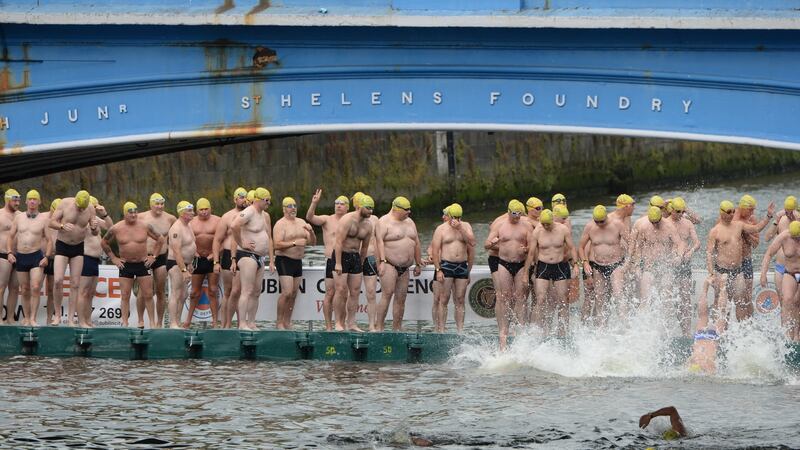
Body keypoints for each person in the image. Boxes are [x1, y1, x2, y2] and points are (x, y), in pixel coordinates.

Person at [707, 200, 773, 324]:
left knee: (741, 303)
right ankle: (721, 334)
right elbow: (709, 253)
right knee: (722, 305)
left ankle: (743, 332)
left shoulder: (738, 225)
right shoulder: (715, 231)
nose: (732, 214)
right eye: (728, 212)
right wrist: (711, 273)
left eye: (733, 211)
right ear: (721, 213)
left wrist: (768, 216)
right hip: (722, 273)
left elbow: (756, 228)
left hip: (738, 272)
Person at [102, 202, 164, 328]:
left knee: (148, 294)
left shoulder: (145, 226)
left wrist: (154, 257)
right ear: (125, 213)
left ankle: (152, 323)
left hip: (143, 263)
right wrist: (114, 258)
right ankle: (124, 323)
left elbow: (160, 239)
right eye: (131, 212)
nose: (134, 214)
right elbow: (104, 242)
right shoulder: (116, 228)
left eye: (135, 212)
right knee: (125, 295)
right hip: (126, 265)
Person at [485, 200, 534, 350]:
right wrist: (493, 242)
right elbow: (486, 245)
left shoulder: (526, 226)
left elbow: (533, 249)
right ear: (508, 212)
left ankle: (521, 330)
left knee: (520, 297)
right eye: (514, 215)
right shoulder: (500, 225)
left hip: (520, 264)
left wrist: (525, 250)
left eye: (519, 215)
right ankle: (503, 331)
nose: (517, 218)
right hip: (504, 263)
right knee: (503, 297)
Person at [376, 196, 424, 331]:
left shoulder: (410, 222)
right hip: (390, 264)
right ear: (396, 209)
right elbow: (378, 243)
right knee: (387, 295)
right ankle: (379, 327)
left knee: (401, 298)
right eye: (406, 210)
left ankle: (397, 328)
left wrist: (418, 262)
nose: (409, 212)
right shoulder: (384, 222)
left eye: (410, 209)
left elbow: (416, 242)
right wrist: (381, 262)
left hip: (405, 267)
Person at [49, 190, 97, 326]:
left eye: (83, 208)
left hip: (78, 247)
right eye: (79, 207)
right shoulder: (64, 203)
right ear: (75, 201)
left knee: (75, 284)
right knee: (58, 280)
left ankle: (70, 318)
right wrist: (62, 225)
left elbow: (95, 232)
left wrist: (94, 228)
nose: (81, 209)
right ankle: (57, 315)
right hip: (62, 245)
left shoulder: (90, 209)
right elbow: (51, 222)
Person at [230, 187, 274, 331]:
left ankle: (251, 322)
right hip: (247, 256)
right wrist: (242, 242)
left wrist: (271, 259)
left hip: (260, 257)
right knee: (247, 291)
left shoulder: (262, 214)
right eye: (267, 200)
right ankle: (242, 323)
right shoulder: (249, 212)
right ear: (258, 200)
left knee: (256, 291)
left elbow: (268, 236)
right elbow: (234, 225)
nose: (269, 203)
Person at [529, 209, 577, 336]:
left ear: (552, 221)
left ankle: (563, 331)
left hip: (560, 266)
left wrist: (576, 265)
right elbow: (531, 252)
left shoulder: (563, 230)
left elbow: (572, 247)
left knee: (563, 300)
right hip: (543, 266)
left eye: (548, 224)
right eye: (543, 224)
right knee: (540, 299)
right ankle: (541, 330)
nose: (545, 226)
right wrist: (525, 273)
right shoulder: (537, 231)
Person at [305, 189, 349, 331]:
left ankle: (341, 323)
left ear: (347, 207)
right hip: (331, 259)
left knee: (344, 293)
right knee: (330, 293)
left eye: (342, 204)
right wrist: (314, 203)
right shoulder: (327, 219)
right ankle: (329, 326)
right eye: (336, 203)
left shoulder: (351, 221)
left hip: (347, 260)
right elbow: (310, 217)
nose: (338, 205)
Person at [578, 205, 629, 325]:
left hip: (616, 265)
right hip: (598, 266)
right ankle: (602, 328)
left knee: (618, 294)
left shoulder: (617, 225)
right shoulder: (590, 227)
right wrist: (585, 263)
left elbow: (631, 243)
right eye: (597, 221)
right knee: (600, 298)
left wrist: (628, 263)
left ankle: (626, 325)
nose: (600, 224)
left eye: (602, 221)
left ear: (607, 216)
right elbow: (580, 247)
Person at [6, 190, 49, 326]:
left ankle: (33, 319)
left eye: (35, 199)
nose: (32, 201)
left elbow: (50, 240)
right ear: (26, 201)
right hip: (21, 256)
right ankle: (26, 317)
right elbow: (10, 236)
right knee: (24, 289)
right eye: (30, 199)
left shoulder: (44, 219)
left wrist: (47, 256)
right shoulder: (19, 218)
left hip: (36, 255)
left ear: (39, 202)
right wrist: (9, 252)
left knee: (35, 287)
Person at [333, 195, 375, 331]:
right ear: (360, 207)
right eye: (368, 208)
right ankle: (338, 322)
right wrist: (338, 263)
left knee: (355, 291)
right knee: (340, 290)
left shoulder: (369, 225)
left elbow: (364, 247)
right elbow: (338, 242)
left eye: (372, 209)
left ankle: (351, 323)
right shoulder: (347, 220)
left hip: (355, 257)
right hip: (341, 255)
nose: (371, 212)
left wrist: (361, 263)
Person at [273, 196, 316, 330]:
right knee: (286, 292)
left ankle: (287, 321)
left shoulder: (301, 222)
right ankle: (279, 322)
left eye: (295, 206)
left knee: (293, 294)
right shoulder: (280, 224)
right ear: (284, 209)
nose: (293, 208)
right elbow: (277, 245)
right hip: (284, 260)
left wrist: (311, 232)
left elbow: (313, 243)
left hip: (298, 261)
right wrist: (294, 243)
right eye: (290, 206)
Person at [431, 203, 475, 332]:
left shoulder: (466, 226)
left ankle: (460, 330)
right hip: (446, 265)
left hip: (462, 265)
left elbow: (472, 243)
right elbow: (434, 251)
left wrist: (461, 228)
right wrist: (438, 270)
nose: (456, 220)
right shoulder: (441, 229)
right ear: (448, 216)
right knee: (443, 299)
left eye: (458, 217)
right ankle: (442, 329)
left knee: (460, 299)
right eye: (453, 217)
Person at [629, 206, 685, 303]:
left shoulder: (669, 227)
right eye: (652, 222)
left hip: (666, 266)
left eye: (657, 222)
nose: (654, 225)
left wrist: (679, 256)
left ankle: (665, 317)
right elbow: (639, 247)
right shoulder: (644, 227)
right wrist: (637, 265)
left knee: (666, 300)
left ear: (661, 218)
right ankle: (645, 318)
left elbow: (680, 244)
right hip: (649, 267)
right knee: (645, 300)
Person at [138, 192, 176, 328]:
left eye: (162, 204)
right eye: (157, 204)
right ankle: (141, 320)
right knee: (144, 291)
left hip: (161, 257)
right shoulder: (141, 217)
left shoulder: (170, 219)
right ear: (151, 204)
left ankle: (159, 323)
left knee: (160, 291)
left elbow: (177, 236)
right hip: (145, 257)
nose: (160, 206)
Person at [213, 187, 248, 328]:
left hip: (245, 255)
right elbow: (217, 240)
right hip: (228, 255)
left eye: (245, 197)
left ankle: (241, 324)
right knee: (228, 292)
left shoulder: (251, 215)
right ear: (234, 199)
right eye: (240, 197)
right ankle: (225, 325)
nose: (243, 199)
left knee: (242, 292)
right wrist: (216, 261)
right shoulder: (227, 217)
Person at [760, 220, 800, 341]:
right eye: (795, 238)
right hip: (790, 273)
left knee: (798, 302)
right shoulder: (784, 236)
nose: (797, 240)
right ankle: (788, 335)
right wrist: (763, 274)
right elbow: (768, 254)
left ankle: (798, 334)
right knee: (787, 300)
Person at [76, 196, 112, 328]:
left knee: (91, 293)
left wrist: (105, 214)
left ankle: (88, 320)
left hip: (95, 260)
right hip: (85, 257)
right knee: (83, 292)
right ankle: (81, 321)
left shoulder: (96, 219)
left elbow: (110, 228)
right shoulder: (81, 219)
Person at [669, 197, 701, 335]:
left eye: (683, 211)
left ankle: (686, 332)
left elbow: (697, 243)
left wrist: (691, 251)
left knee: (685, 299)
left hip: (684, 264)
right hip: (669, 265)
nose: (681, 214)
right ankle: (668, 331)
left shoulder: (687, 223)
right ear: (671, 210)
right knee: (669, 298)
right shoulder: (665, 223)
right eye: (678, 211)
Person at [187, 198, 221, 327]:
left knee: (213, 290)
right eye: (201, 209)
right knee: (194, 292)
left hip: (213, 258)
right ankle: (188, 320)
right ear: (197, 210)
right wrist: (192, 252)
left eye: (206, 209)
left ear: (210, 209)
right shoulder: (191, 222)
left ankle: (214, 321)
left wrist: (215, 254)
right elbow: (186, 240)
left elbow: (223, 240)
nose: (204, 212)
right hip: (197, 259)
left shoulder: (218, 221)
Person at [166, 201, 197, 329]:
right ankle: (173, 323)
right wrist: (183, 269)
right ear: (182, 213)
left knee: (184, 295)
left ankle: (178, 321)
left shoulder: (188, 225)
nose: (193, 213)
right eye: (190, 211)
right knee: (176, 293)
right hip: (176, 264)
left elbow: (189, 246)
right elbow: (177, 251)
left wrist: (189, 264)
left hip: (185, 264)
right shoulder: (176, 228)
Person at [687, 275, 725, 374]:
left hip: (708, 339)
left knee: (718, 314)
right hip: (704, 338)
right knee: (710, 315)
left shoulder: (695, 363)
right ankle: (720, 285)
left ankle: (712, 285)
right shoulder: (707, 365)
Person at [765, 195, 798, 304]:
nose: (789, 215)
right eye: (786, 211)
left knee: (796, 303)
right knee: (783, 301)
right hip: (781, 267)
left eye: (790, 212)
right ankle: (785, 321)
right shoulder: (781, 220)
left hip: (796, 268)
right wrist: (776, 221)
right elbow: (767, 238)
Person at [733, 194, 761, 320]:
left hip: (746, 261)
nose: (753, 212)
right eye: (751, 209)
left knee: (747, 297)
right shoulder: (729, 217)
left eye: (754, 209)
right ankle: (735, 327)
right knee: (736, 297)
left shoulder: (752, 220)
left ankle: (750, 325)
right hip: (732, 264)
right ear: (742, 208)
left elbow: (756, 244)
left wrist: (746, 235)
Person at [426, 205, 452, 331]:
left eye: (445, 215)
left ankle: (443, 326)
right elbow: (431, 247)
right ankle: (437, 326)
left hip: (453, 267)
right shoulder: (439, 230)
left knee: (446, 300)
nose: (443, 217)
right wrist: (431, 256)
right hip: (439, 267)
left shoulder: (460, 229)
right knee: (437, 298)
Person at [0, 189, 21, 325]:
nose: (17, 203)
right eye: (14, 200)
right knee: (1, 287)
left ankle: (10, 318)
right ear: (7, 200)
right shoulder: (0, 214)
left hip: (18, 255)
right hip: (2, 254)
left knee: (14, 288)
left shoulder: (21, 215)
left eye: (19, 200)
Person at [43, 198, 61, 324]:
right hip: (41, 257)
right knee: (34, 287)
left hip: (56, 259)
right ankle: (30, 317)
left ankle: (50, 318)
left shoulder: (63, 221)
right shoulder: (43, 218)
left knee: (52, 290)